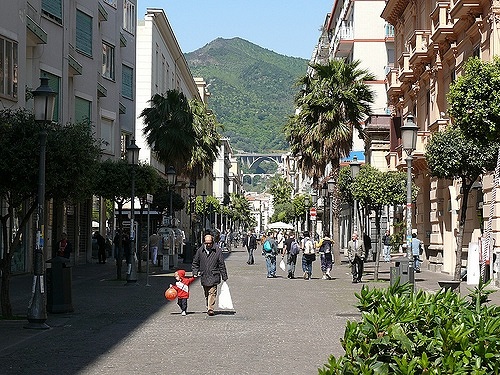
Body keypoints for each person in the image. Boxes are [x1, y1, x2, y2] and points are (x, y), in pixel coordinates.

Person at [191, 234, 228, 316]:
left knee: (212, 292)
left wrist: (224, 276)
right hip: (204, 275)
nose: (208, 245)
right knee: (207, 293)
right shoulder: (200, 251)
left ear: (212, 242)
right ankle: (208, 306)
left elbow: (221, 264)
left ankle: (210, 308)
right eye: (206, 243)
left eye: (209, 243)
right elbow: (195, 263)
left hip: (214, 275)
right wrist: (195, 272)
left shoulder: (217, 251)